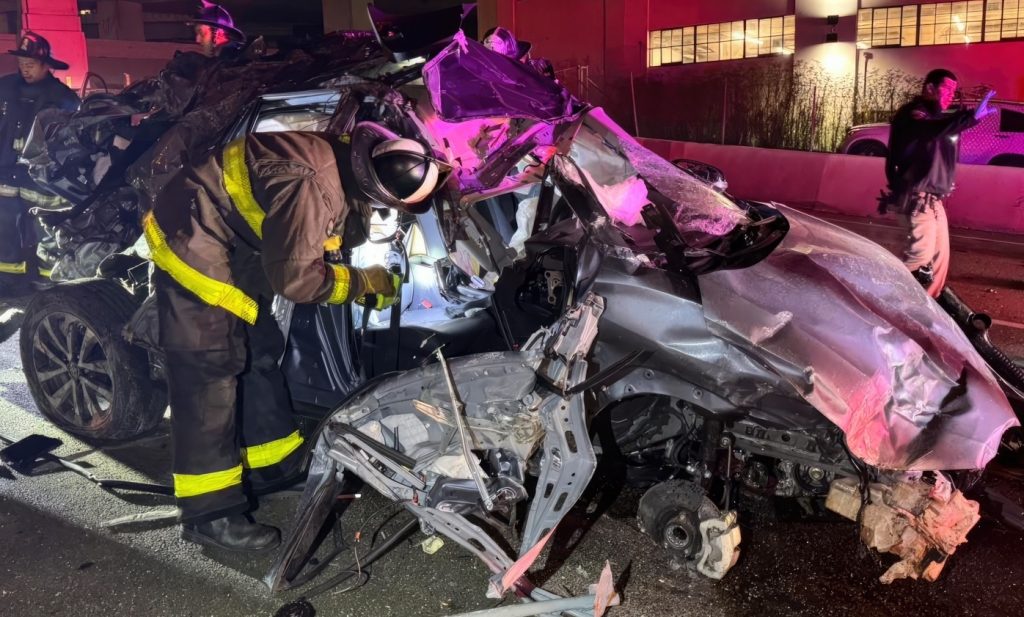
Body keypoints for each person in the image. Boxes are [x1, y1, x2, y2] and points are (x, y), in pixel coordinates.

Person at [145, 124, 447, 551]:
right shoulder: (315, 184)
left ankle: (273, 464)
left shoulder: (341, 157)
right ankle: (208, 513)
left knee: (257, 352)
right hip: (193, 236)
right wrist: (364, 282)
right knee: (209, 370)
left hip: (236, 241)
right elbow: (298, 282)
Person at [881, 68, 996, 297]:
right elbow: (928, 132)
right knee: (919, 261)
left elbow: (938, 140)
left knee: (937, 263)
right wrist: (969, 118)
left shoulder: (937, 119)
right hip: (916, 197)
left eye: (954, 90)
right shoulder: (913, 114)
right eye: (947, 88)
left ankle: (925, 313)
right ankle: (883, 302)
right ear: (930, 88)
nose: (951, 95)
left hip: (934, 201)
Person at [0, 32, 79, 294]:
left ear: (47, 65)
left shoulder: (63, 98)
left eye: (30, 64)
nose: (25, 69)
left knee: (46, 229)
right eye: (22, 64)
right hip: (6, 174)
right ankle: (9, 278)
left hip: (43, 179)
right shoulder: (5, 89)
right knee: (5, 226)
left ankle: (49, 280)